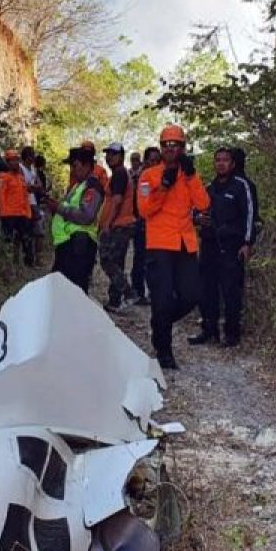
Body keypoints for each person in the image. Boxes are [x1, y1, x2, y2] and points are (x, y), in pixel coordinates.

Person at [138, 125, 210, 370]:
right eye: (167, 145)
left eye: (176, 145)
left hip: (185, 244)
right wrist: (163, 188)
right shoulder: (149, 175)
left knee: (191, 295)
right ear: (161, 148)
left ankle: (160, 324)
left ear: (182, 148)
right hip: (159, 245)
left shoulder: (188, 174)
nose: (171, 149)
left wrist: (191, 177)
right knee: (162, 298)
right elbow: (144, 210)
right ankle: (164, 350)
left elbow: (203, 203)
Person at [189, 147, 255, 347]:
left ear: (232, 163)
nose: (221, 163)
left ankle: (232, 335)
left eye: (225, 160)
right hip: (209, 246)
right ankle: (209, 330)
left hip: (232, 247)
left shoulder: (241, 186)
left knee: (231, 291)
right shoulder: (209, 188)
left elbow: (250, 215)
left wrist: (247, 242)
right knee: (206, 290)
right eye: (217, 160)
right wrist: (197, 218)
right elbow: (194, 210)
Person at [47, 147, 105, 293]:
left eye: (75, 166)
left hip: (80, 243)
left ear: (86, 165)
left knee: (75, 290)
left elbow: (86, 216)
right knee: (62, 288)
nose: (72, 170)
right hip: (69, 243)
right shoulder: (79, 186)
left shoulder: (92, 186)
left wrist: (58, 208)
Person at [98, 142, 137, 312]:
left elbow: (117, 200)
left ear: (121, 156)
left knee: (107, 260)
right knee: (117, 262)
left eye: (113, 154)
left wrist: (108, 222)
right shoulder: (118, 174)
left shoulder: (120, 173)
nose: (109, 157)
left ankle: (129, 292)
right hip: (121, 224)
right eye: (107, 154)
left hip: (119, 225)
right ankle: (114, 300)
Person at [127, 146, 159, 306]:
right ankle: (138, 292)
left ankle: (155, 292)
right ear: (145, 161)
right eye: (151, 160)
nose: (154, 163)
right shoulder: (142, 178)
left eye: (156, 160)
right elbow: (143, 203)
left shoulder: (163, 176)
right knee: (141, 259)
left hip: (159, 226)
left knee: (155, 260)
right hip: (142, 223)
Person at [0, 148, 33, 265]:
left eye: (17, 160)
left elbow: (25, 196)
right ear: (7, 162)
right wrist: (3, 214)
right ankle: (8, 265)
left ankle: (28, 264)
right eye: (12, 160)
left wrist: (28, 213)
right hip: (9, 215)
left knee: (27, 240)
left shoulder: (21, 178)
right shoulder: (3, 177)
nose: (15, 163)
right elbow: (1, 196)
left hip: (22, 215)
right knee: (8, 241)